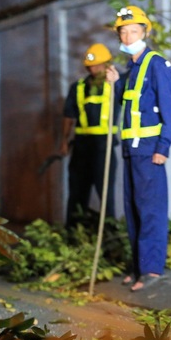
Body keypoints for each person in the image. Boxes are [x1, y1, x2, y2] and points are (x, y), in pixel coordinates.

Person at [106, 6, 171, 292]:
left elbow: (170, 107)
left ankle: (150, 270)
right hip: (131, 150)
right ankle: (137, 266)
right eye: (123, 31)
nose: (127, 35)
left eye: (133, 30)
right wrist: (115, 84)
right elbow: (128, 108)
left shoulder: (156, 64)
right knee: (134, 209)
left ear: (144, 33)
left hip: (150, 151)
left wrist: (164, 146)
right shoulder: (131, 69)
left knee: (150, 210)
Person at [61, 43, 120, 229]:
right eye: (90, 66)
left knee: (105, 195)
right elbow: (69, 116)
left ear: (107, 64)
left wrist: (116, 80)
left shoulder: (117, 84)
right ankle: (73, 235)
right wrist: (64, 141)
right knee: (77, 193)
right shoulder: (78, 87)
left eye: (98, 65)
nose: (93, 69)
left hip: (104, 147)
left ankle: (109, 236)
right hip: (81, 147)